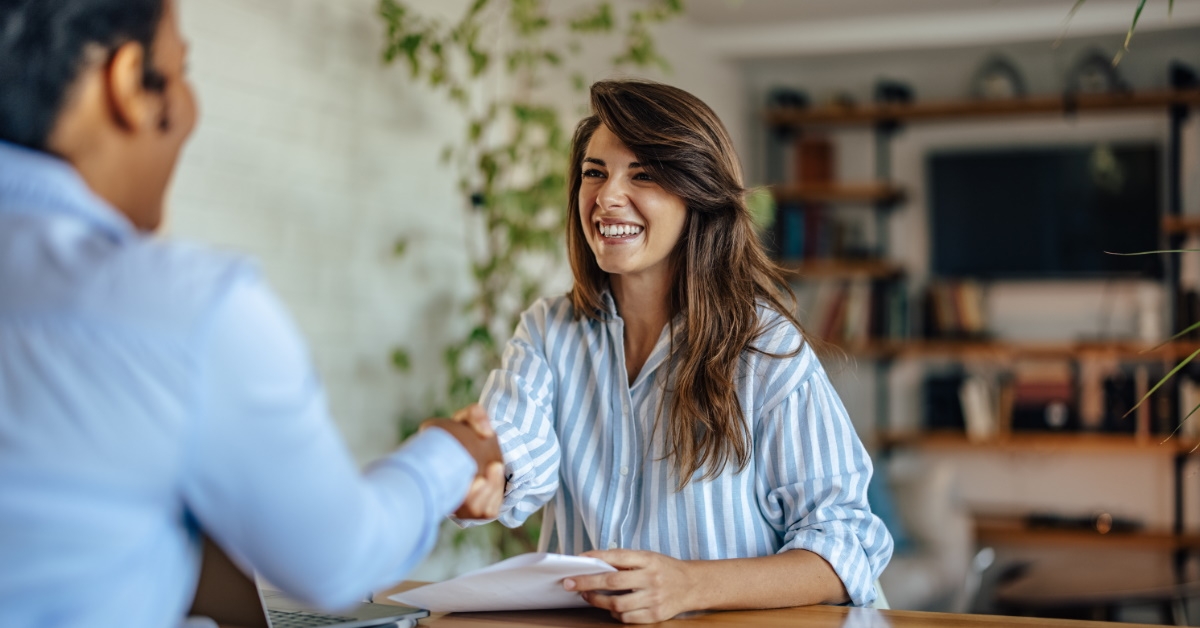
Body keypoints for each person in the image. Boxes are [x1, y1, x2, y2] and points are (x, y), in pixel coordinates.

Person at [0, 2, 504, 627]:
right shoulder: (185, 309)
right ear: (130, 83)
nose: (189, 106)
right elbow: (338, 560)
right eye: (181, 69)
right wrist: (452, 453)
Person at [474, 79, 893, 623]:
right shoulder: (549, 330)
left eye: (642, 175)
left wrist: (689, 586)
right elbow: (511, 442)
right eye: (594, 172)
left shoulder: (764, 348)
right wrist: (473, 471)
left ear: (697, 194)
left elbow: (848, 547)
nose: (606, 197)